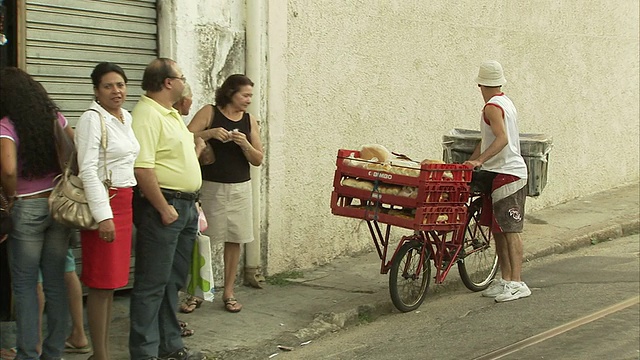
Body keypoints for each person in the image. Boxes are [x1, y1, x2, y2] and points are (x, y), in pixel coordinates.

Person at [129, 58, 207, 360]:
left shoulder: (170, 114)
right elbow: (143, 168)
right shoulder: (146, 115)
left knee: (171, 282)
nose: (184, 81)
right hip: (165, 207)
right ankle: (144, 352)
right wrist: (164, 208)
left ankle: (170, 346)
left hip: (184, 206)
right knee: (151, 284)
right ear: (167, 82)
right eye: (181, 76)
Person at [0, 67, 72, 360]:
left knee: (26, 286)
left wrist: (10, 195)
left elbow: (7, 168)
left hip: (26, 208)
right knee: (56, 283)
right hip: (58, 205)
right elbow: (72, 151)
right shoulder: (53, 117)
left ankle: (28, 353)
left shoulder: (6, 125)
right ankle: (54, 352)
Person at [75, 62, 140, 360]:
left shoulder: (125, 117)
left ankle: (101, 351)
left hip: (125, 203)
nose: (116, 91)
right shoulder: (92, 119)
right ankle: (99, 354)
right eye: (108, 86)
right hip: (106, 203)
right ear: (96, 91)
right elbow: (87, 169)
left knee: (113, 282)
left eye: (120, 85)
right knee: (100, 283)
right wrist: (104, 216)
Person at [187, 74, 264, 313]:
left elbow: (258, 159)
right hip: (211, 186)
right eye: (245, 95)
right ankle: (195, 293)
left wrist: (244, 144)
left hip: (240, 188)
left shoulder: (249, 120)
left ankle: (228, 292)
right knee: (202, 240)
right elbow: (184, 136)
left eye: (250, 95)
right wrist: (209, 134)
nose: (248, 100)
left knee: (235, 239)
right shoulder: (210, 112)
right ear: (231, 92)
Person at [463, 60, 530, 303]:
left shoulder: (491, 107)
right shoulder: (505, 102)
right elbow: (487, 138)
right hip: (501, 173)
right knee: (498, 230)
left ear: (480, 84)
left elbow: (501, 139)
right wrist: (470, 162)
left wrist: (479, 161)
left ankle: (517, 282)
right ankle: (505, 279)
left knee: (510, 230)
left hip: (508, 173)